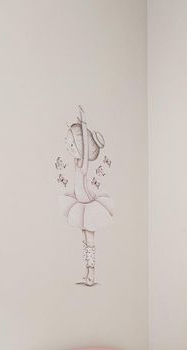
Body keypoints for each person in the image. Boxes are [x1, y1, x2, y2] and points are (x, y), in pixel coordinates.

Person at [59, 106, 113, 286]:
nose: (70, 147)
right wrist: (78, 125)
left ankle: (92, 274)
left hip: (88, 206)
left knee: (90, 241)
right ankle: (87, 270)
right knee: (85, 239)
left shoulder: (82, 164)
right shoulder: (76, 162)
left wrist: (83, 123)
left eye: (72, 144)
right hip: (81, 205)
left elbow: (83, 145)